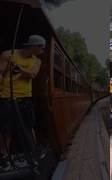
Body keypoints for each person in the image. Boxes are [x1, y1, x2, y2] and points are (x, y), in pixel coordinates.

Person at [0, 35, 45, 171]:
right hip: (6, 97)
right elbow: (0, 72)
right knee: (6, 129)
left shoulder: (37, 61)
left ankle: (32, 152)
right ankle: (4, 156)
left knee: (29, 126)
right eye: (41, 47)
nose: (43, 50)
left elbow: (32, 74)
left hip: (26, 98)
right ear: (33, 46)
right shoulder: (8, 54)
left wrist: (18, 68)